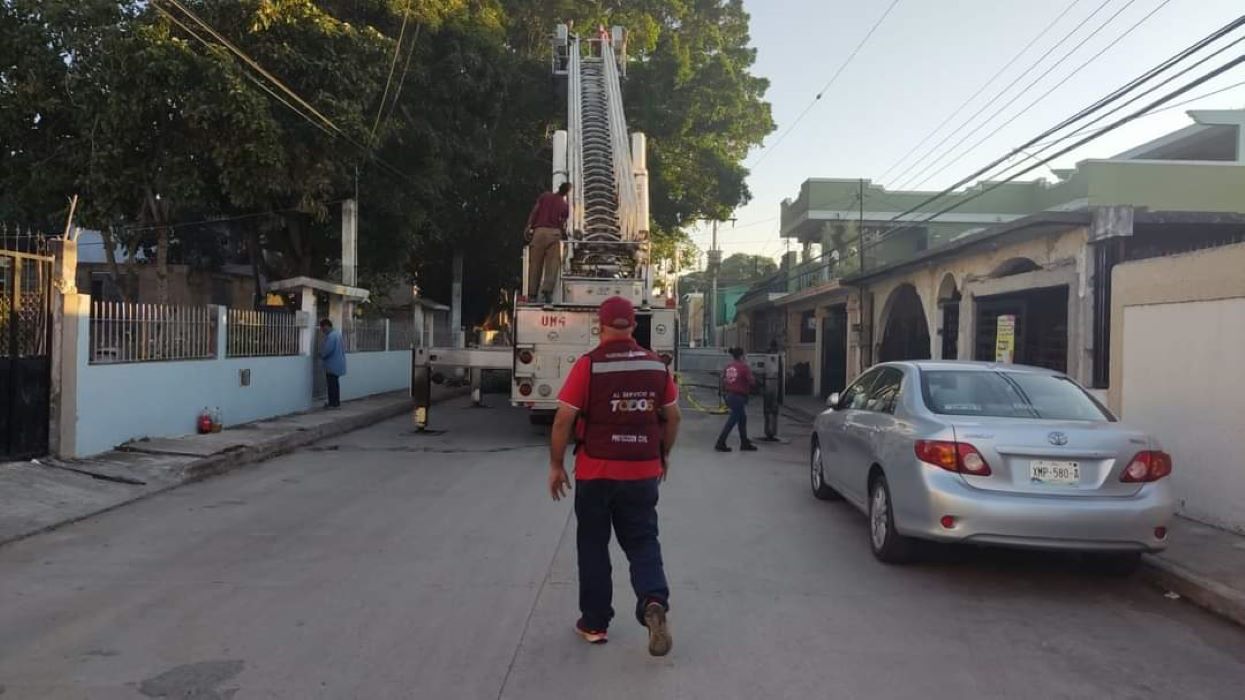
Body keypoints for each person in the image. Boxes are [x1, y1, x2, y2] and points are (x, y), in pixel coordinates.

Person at [549, 296, 681, 656]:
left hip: (595, 471)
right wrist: (663, 454)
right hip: (641, 472)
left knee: (593, 546)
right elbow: (673, 417)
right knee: (642, 541)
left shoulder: (589, 365)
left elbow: (563, 419)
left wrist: (557, 464)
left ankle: (594, 624)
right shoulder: (656, 366)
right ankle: (653, 600)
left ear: (599, 325)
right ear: (634, 325)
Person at [525, 182, 572, 306]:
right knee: (552, 265)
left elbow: (535, 211)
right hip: (554, 234)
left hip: (539, 233)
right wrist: (564, 235)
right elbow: (562, 222)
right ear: (566, 192)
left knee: (535, 265)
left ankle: (532, 295)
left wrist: (529, 226)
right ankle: (547, 292)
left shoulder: (545, 196)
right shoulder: (564, 205)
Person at [716, 347, 757, 452]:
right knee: (732, 420)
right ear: (741, 356)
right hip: (739, 397)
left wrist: (723, 392)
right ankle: (720, 442)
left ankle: (744, 442)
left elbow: (722, 379)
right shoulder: (744, 367)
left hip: (729, 396)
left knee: (742, 419)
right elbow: (752, 382)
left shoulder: (728, 366)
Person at [319, 319, 346, 409]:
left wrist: (321, 355)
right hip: (338, 363)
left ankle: (332, 404)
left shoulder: (331, 336)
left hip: (332, 364)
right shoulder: (338, 334)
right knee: (335, 384)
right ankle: (336, 403)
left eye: (323, 328)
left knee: (331, 385)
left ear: (326, 326)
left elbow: (327, 350)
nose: (322, 331)